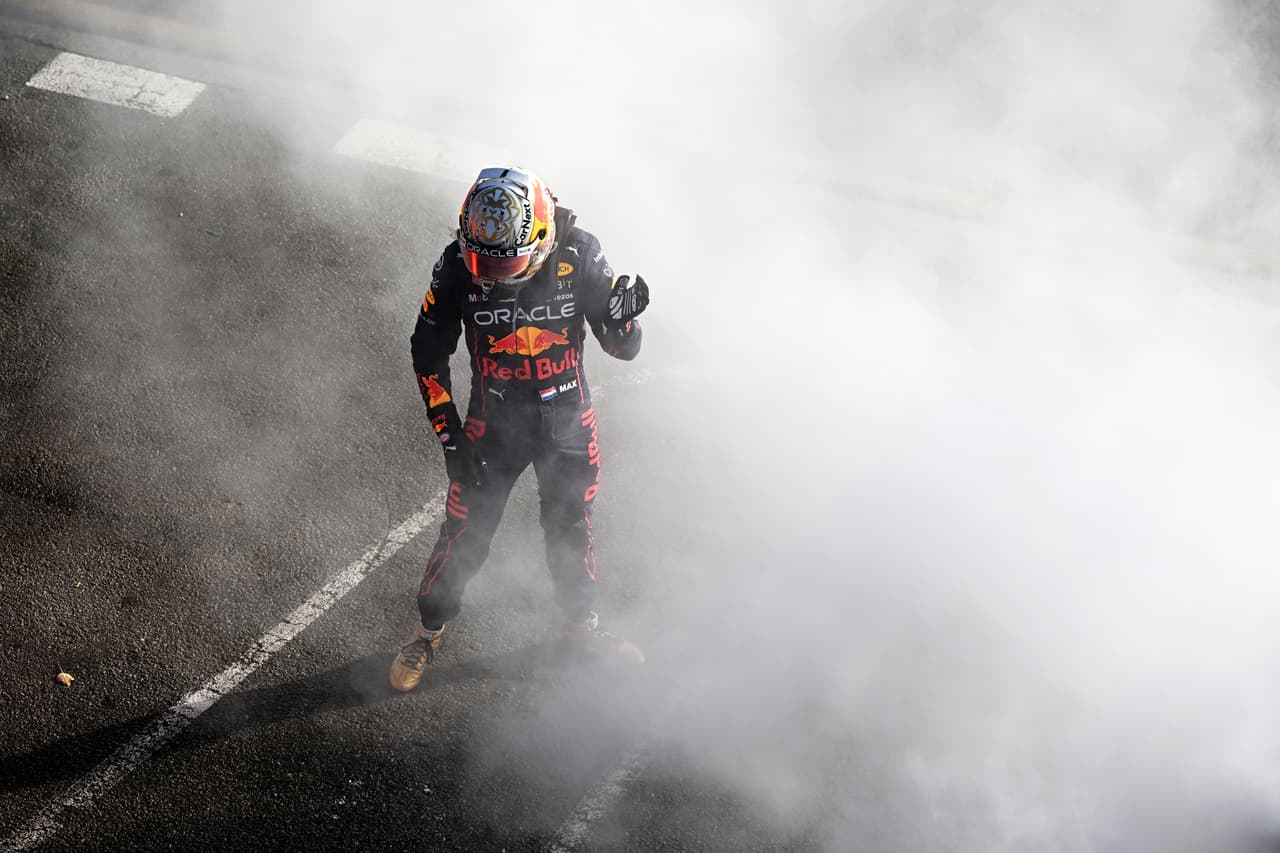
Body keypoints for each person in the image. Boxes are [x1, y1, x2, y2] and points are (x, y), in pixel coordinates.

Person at [390, 165, 651, 692]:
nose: (491, 274)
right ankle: (426, 632)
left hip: (569, 420)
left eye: (504, 262)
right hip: (492, 423)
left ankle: (581, 628)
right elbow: (427, 350)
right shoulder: (457, 266)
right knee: (465, 533)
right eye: (482, 262)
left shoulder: (580, 252)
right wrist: (449, 435)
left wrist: (626, 320)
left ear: (540, 236)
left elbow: (622, 349)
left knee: (571, 528)